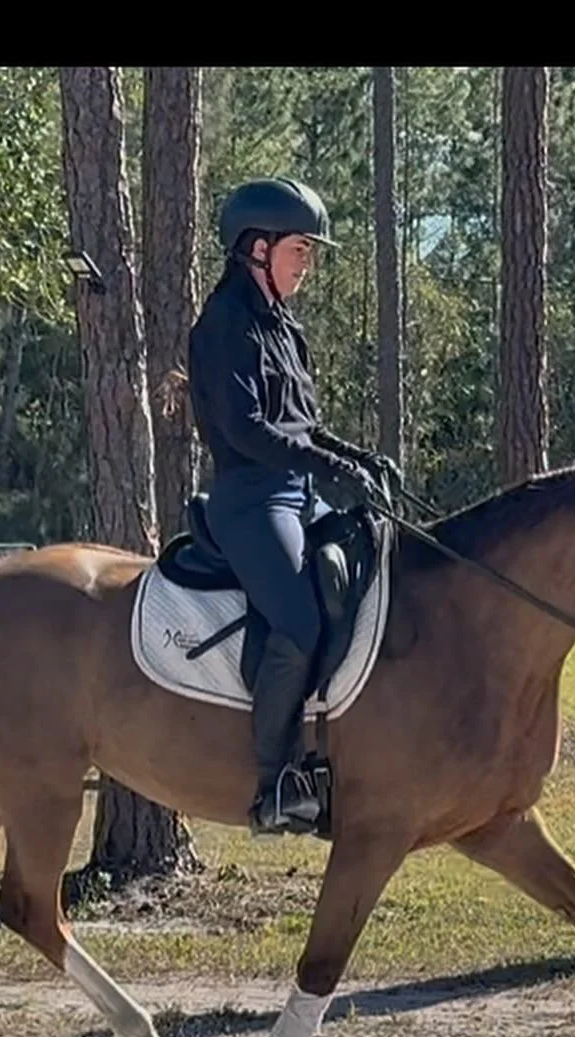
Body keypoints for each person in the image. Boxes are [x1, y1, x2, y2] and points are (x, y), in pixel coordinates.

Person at [186, 177, 400, 836]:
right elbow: (250, 430)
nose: (306, 264)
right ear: (257, 247)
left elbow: (304, 428)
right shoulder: (225, 325)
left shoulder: (284, 329)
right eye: (299, 250)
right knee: (301, 620)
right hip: (251, 502)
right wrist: (330, 467)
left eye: (308, 252)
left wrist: (359, 459)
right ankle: (275, 779)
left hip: (297, 492)